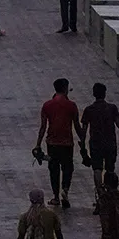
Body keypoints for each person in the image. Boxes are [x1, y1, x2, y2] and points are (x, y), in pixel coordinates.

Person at [36, 78, 85, 208]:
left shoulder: (47, 105)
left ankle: (56, 197)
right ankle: (65, 190)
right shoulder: (72, 105)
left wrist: (38, 144)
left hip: (52, 142)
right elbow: (76, 125)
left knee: (54, 169)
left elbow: (43, 127)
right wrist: (83, 140)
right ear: (65, 88)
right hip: (67, 142)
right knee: (68, 167)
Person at [81, 83, 119, 214]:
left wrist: (82, 147)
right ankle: (111, 197)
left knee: (97, 169)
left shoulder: (89, 110)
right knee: (110, 170)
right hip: (110, 143)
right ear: (105, 93)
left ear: (94, 94)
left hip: (95, 143)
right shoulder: (112, 108)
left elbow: (83, 130)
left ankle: (100, 196)